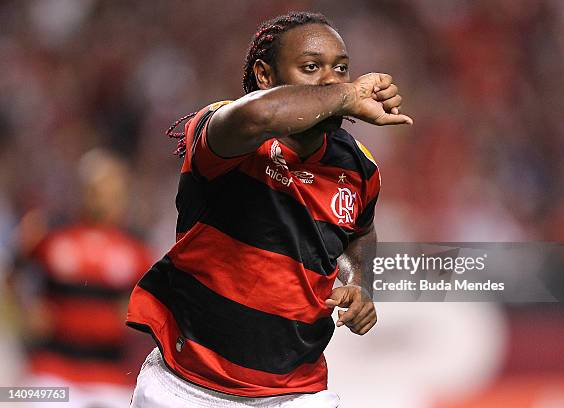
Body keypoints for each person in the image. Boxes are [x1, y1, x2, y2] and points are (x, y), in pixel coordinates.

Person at [127, 11, 412, 408]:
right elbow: (261, 114)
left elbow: (360, 232)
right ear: (264, 76)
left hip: (297, 392)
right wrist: (348, 94)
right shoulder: (226, 132)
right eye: (311, 67)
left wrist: (358, 282)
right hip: (187, 387)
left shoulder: (358, 167)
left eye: (341, 69)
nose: (332, 79)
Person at [9, 148, 153, 407]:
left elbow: (150, 299)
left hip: (110, 375)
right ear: (81, 190)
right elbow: (13, 270)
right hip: (54, 369)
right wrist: (27, 306)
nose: (103, 198)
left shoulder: (136, 246)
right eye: (96, 189)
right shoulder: (49, 231)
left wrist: (133, 312)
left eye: (111, 190)